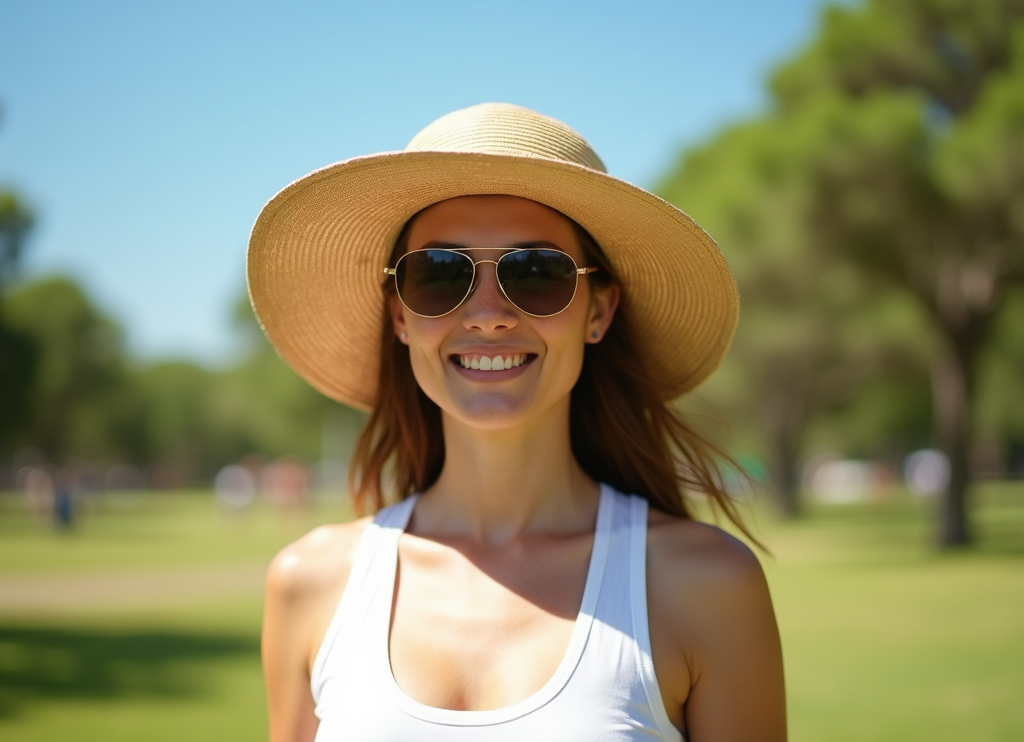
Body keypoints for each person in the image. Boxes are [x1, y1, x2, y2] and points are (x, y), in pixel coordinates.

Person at [251, 103, 785, 741]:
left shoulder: (705, 586)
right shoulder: (309, 584)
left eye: (536, 273)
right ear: (399, 316)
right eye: (438, 274)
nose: (487, 316)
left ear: (598, 311)